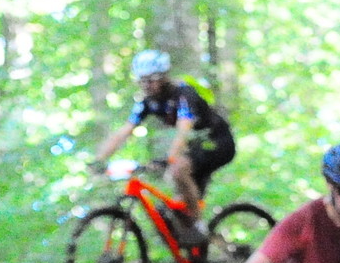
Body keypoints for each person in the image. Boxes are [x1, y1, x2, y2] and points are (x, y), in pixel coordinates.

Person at [93, 51, 236, 244]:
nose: (146, 85)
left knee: (178, 170)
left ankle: (199, 226)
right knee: (174, 211)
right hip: (196, 148)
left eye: (151, 80)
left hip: (218, 143)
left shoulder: (183, 94)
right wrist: (100, 160)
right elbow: (124, 132)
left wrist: (171, 158)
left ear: (164, 77)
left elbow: (184, 129)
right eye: (142, 81)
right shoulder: (147, 102)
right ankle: (199, 254)